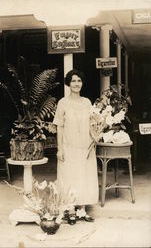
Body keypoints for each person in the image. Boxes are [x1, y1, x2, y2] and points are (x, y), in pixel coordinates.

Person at [53, 69, 99, 224]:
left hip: (85, 147)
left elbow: (93, 124)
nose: (76, 83)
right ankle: (71, 210)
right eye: (73, 80)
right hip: (69, 147)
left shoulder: (87, 102)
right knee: (70, 178)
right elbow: (59, 126)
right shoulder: (62, 103)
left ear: (82, 83)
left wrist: (95, 137)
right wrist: (60, 149)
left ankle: (82, 210)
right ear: (68, 83)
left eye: (79, 80)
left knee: (85, 177)